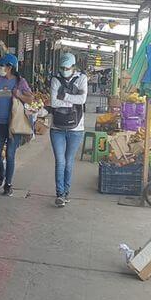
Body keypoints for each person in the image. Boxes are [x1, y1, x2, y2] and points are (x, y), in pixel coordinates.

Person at [0, 53, 34, 196]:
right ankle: (1, 172)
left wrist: (19, 95)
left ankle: (8, 184)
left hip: (13, 125)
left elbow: (30, 99)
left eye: (2, 65)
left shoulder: (20, 82)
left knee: (10, 155)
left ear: (10, 67)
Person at [49, 53, 88, 207]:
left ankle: (66, 192)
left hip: (76, 128)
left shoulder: (82, 79)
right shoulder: (55, 79)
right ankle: (59, 194)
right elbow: (53, 102)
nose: (64, 70)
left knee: (69, 161)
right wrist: (72, 101)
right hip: (56, 128)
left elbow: (83, 100)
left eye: (67, 68)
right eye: (62, 68)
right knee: (60, 161)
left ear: (73, 67)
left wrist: (63, 96)